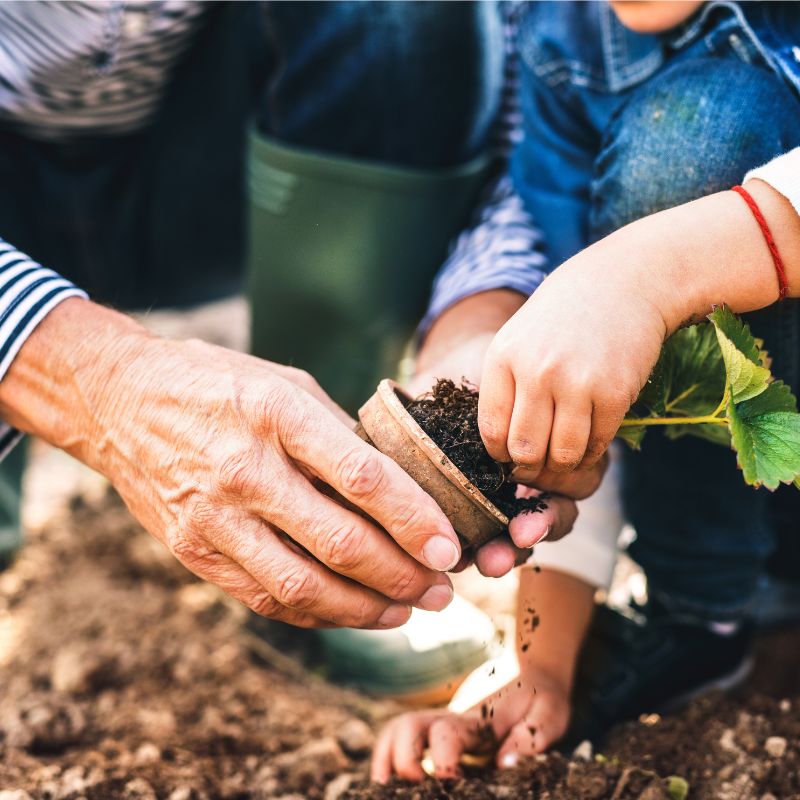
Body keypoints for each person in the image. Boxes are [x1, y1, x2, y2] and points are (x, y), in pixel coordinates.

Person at [0, 3, 583, 633]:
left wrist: (480, 315)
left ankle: (320, 533)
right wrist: (99, 378)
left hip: (227, 165)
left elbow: (528, 110)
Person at [371, 0, 800, 781]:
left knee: (703, 122)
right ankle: (702, 613)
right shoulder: (561, 44)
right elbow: (580, 375)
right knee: (690, 137)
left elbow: (629, 288)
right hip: (763, 506)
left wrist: (653, 272)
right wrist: (540, 662)